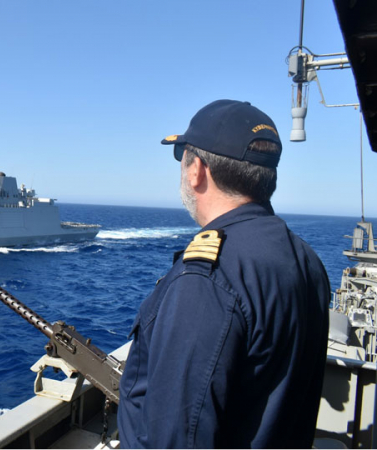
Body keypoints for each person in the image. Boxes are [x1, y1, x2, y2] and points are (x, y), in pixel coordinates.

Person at [117, 99, 330, 448]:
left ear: (197, 170)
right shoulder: (306, 260)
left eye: (181, 155)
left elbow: (178, 437)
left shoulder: (207, 279)